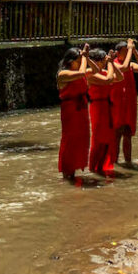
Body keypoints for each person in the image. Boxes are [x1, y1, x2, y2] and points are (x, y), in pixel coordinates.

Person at [57, 45, 91, 183]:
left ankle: (73, 173)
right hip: (70, 110)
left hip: (81, 109)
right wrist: (84, 57)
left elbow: (88, 72)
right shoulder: (63, 74)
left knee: (82, 140)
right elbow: (83, 73)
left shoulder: (78, 72)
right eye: (78, 60)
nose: (80, 63)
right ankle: (67, 173)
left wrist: (86, 57)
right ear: (71, 61)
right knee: (70, 140)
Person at [110, 38, 138, 167]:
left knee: (128, 133)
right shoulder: (113, 64)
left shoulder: (130, 64)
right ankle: (114, 162)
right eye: (125, 51)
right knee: (116, 134)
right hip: (117, 103)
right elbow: (124, 68)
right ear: (118, 52)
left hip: (129, 103)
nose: (127, 54)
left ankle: (128, 162)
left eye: (128, 51)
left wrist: (135, 51)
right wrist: (130, 49)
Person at [87, 47, 121, 176]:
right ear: (95, 61)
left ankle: (101, 167)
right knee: (97, 139)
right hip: (97, 107)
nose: (103, 63)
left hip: (107, 106)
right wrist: (111, 63)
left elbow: (120, 77)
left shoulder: (105, 72)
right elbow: (108, 80)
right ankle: (93, 168)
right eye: (102, 61)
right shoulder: (90, 73)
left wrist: (111, 63)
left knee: (107, 139)